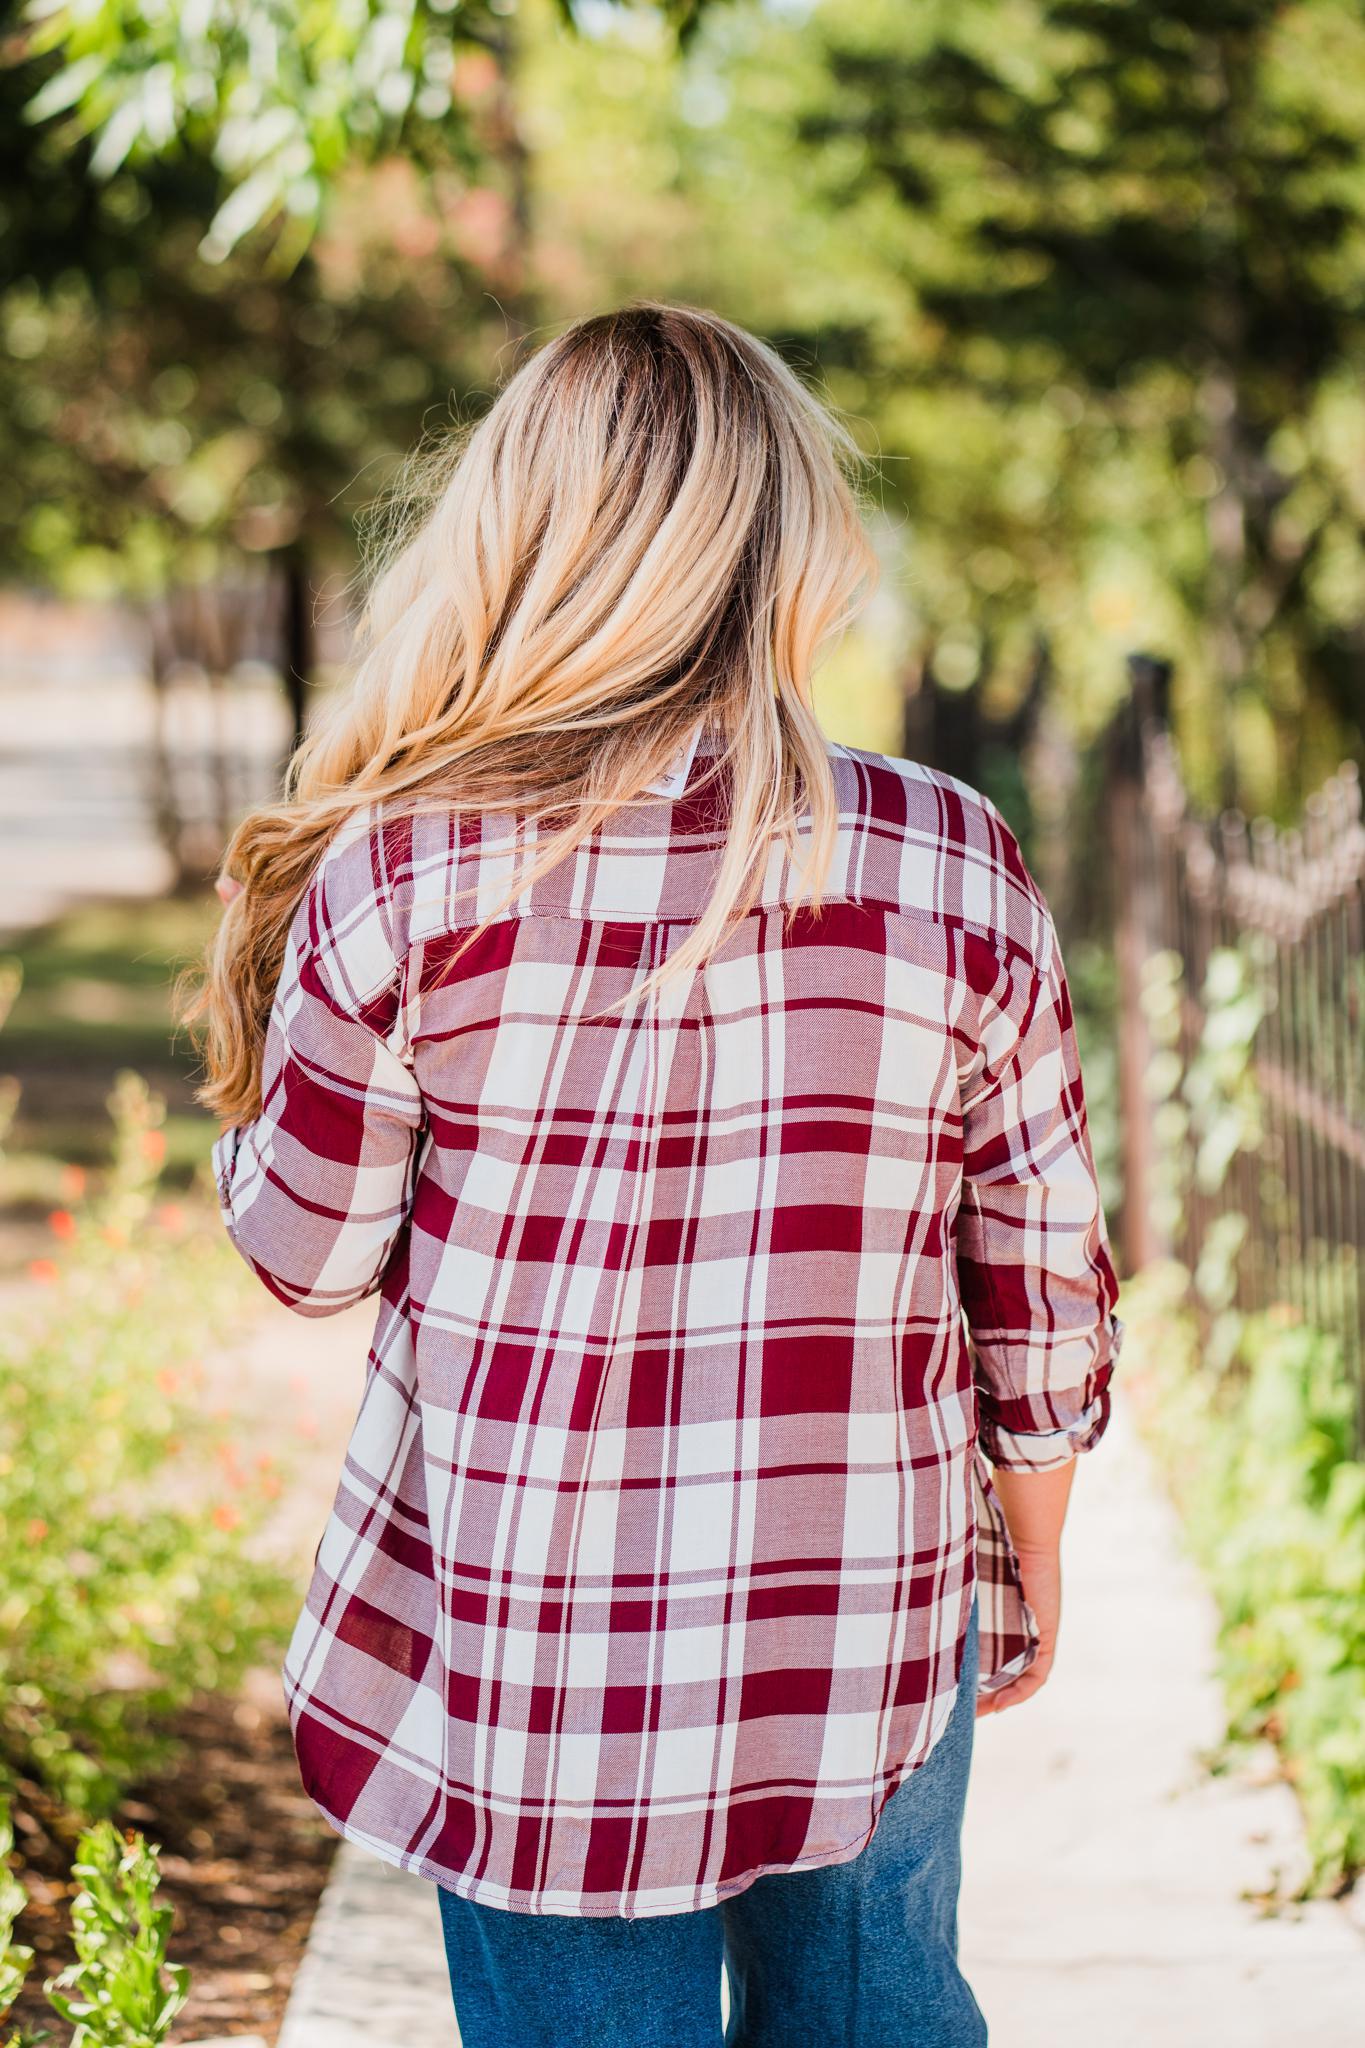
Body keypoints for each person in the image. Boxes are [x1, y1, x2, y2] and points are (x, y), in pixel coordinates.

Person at [189, 302, 1123, 2048]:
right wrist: (1034, 1545)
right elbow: (1044, 1288)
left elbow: (307, 1257)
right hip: (863, 1612)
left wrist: (277, 1006)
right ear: (785, 540)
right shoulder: (950, 860)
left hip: (542, 1659)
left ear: (518, 539)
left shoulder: (402, 872)